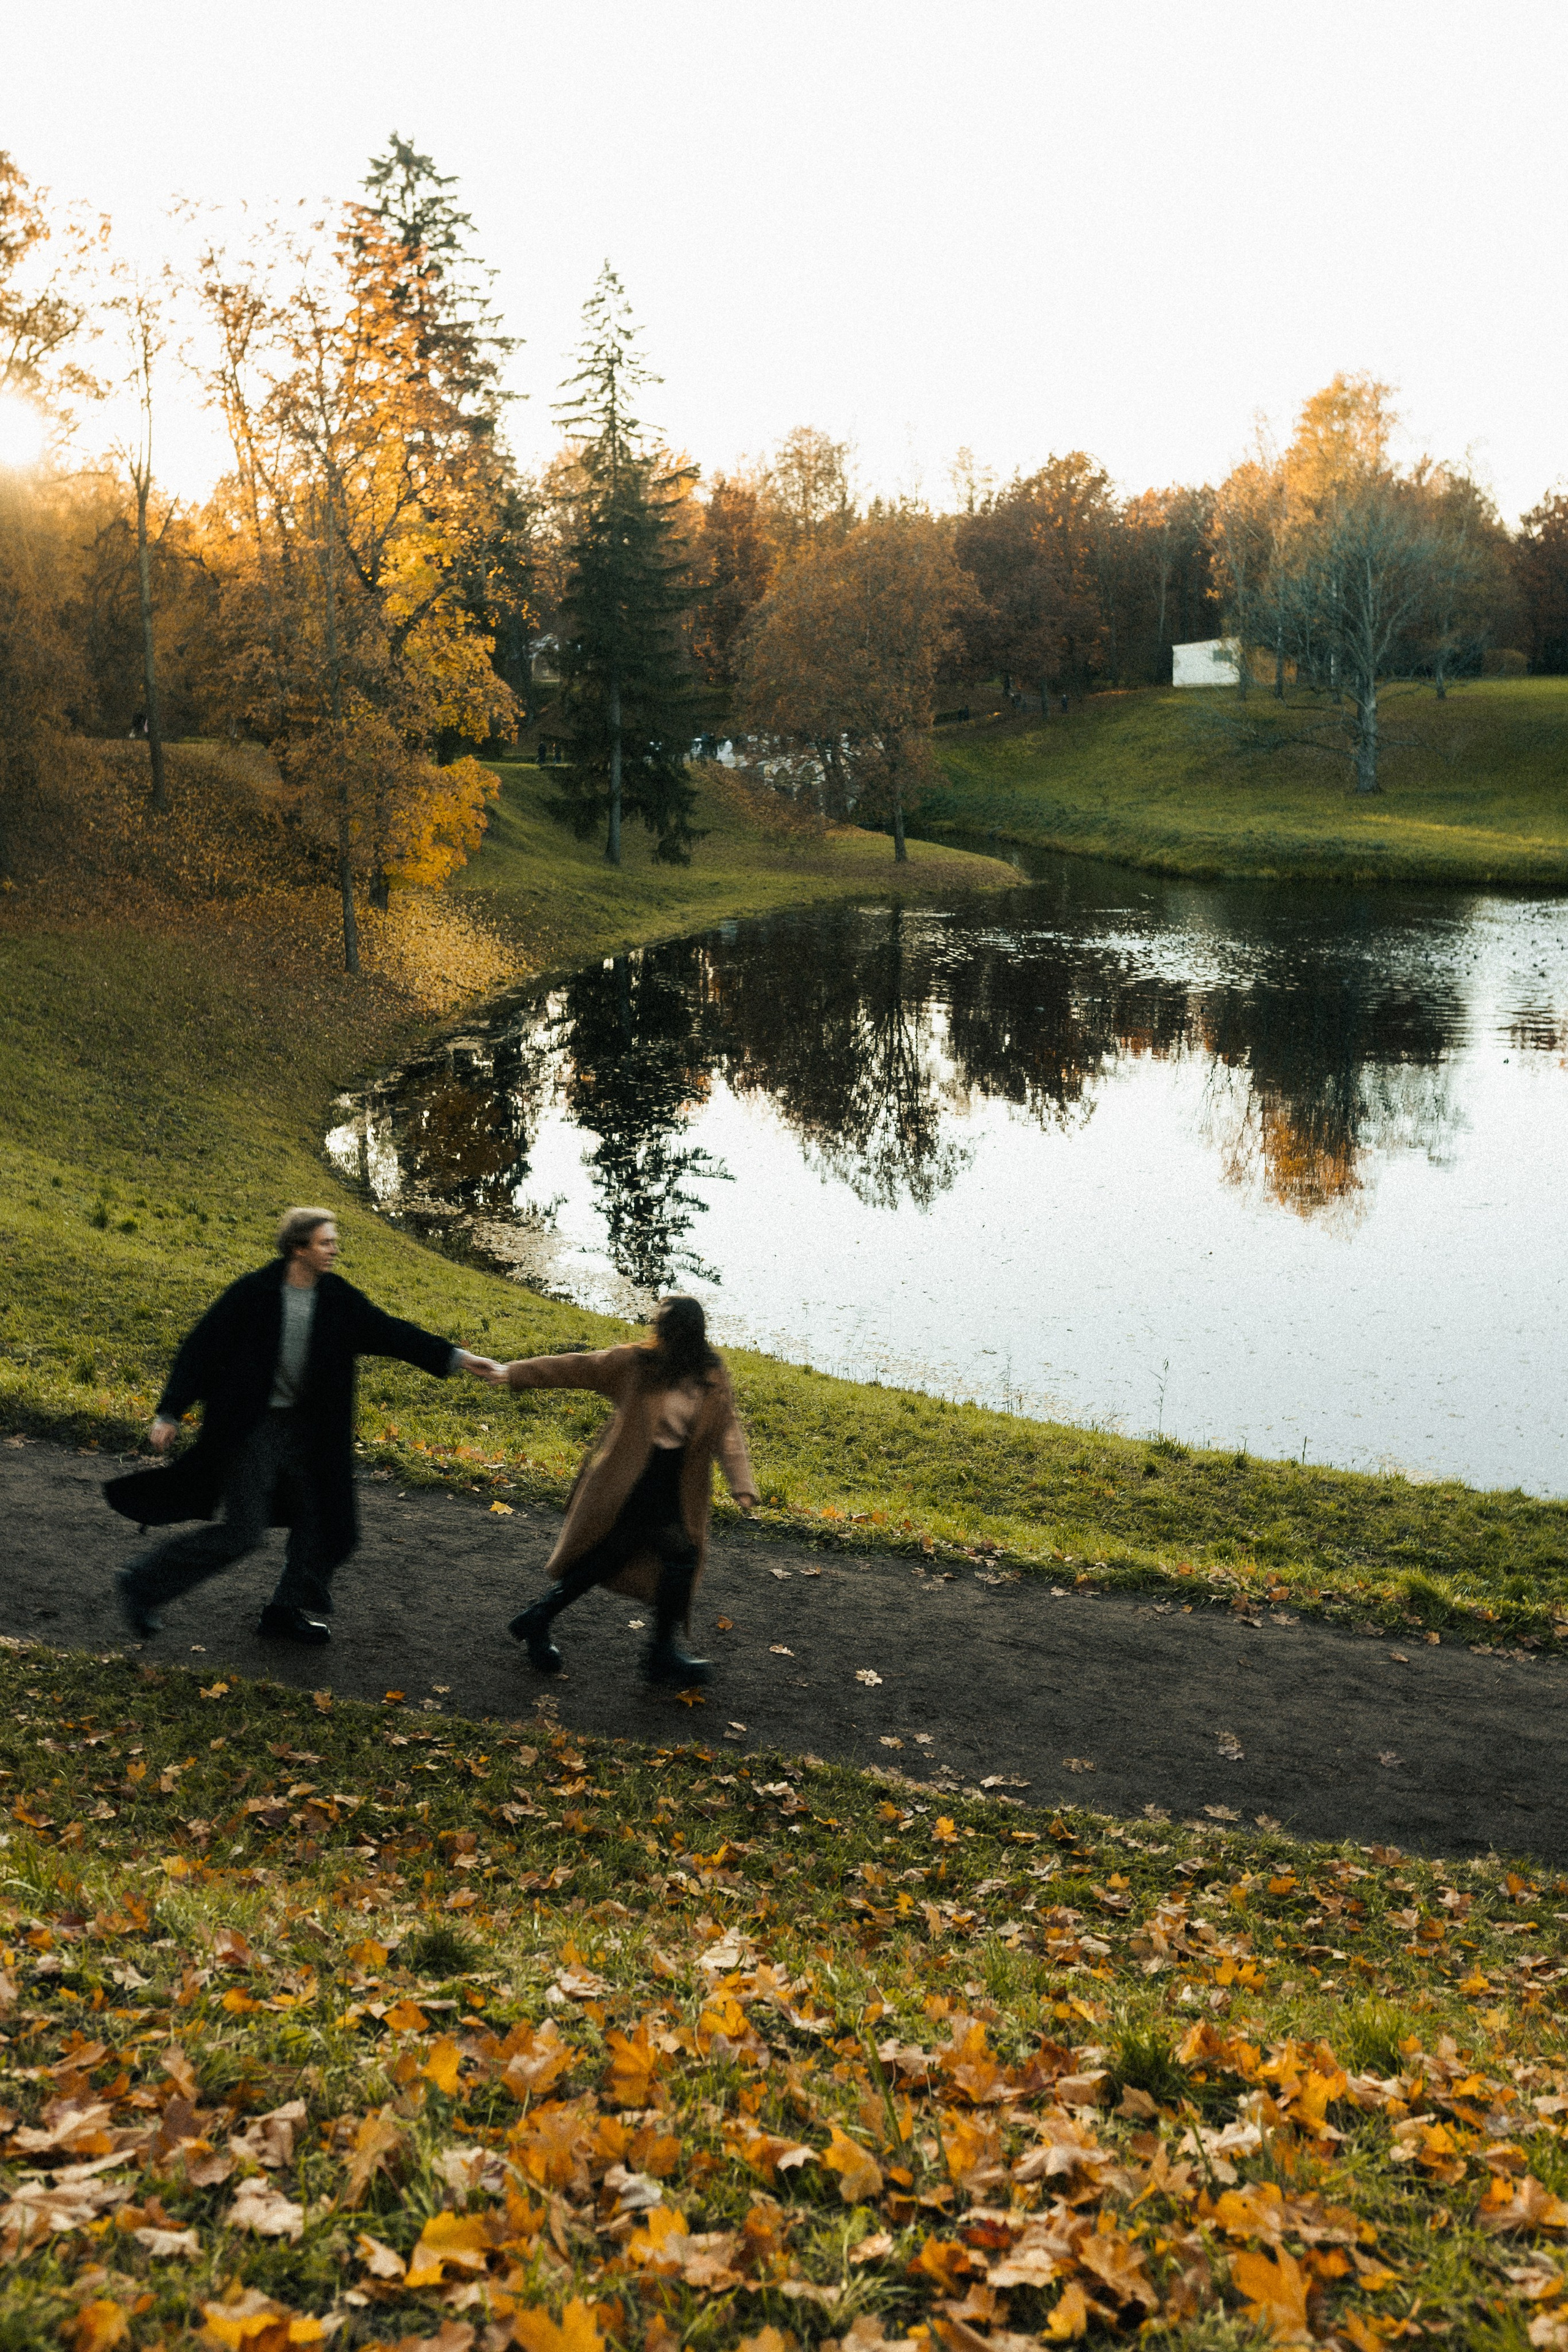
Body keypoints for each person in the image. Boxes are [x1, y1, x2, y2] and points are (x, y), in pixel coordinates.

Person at [104, 1207, 499, 1645]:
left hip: (311, 1433)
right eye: (325, 1242)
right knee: (242, 1532)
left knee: (328, 1523)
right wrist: (169, 1413)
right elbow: (200, 1349)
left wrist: (458, 1359)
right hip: (251, 1428)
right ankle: (142, 1585)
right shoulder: (253, 1294)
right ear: (298, 1248)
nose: (334, 1250)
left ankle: (283, 1612)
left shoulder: (337, 1299)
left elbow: (391, 1333)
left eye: (333, 1242)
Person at [493, 1295, 758, 1687]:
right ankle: (659, 1655)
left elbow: (727, 1429)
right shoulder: (637, 1364)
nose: (664, 1337)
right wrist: (512, 1373)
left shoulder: (711, 1375)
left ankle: (539, 1619)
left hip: (676, 1481)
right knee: (679, 1554)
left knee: (612, 1554)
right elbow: (579, 1367)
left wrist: (742, 1484)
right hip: (631, 1478)